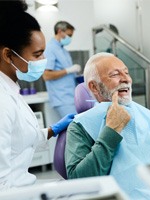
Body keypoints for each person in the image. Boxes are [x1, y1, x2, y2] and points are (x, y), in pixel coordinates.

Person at [65, 52, 150, 199]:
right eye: (115, 74)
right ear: (95, 87)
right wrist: (111, 131)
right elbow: (78, 181)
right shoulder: (81, 126)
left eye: (126, 72)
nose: (126, 79)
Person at [0, 0, 74, 190]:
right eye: (37, 54)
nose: (43, 61)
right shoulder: (2, 101)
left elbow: (20, 139)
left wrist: (52, 130)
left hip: (22, 186)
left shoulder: (10, 89)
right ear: (8, 55)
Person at [43, 21, 81, 118]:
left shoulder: (63, 50)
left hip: (71, 97)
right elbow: (46, 75)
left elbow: (67, 75)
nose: (70, 38)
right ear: (60, 31)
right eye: (69, 35)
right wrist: (68, 70)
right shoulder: (50, 48)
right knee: (74, 129)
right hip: (62, 99)